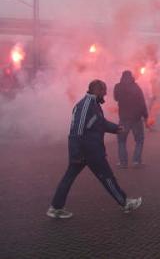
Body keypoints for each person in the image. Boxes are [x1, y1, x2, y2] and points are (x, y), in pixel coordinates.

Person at [47, 80, 142, 219]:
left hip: (85, 150)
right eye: (104, 92)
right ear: (97, 90)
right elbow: (77, 131)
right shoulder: (86, 106)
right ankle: (124, 203)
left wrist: (116, 128)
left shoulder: (93, 104)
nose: (105, 95)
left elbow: (100, 123)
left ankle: (55, 207)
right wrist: (77, 153)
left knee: (69, 178)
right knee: (107, 177)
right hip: (89, 151)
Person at [113, 70, 149, 168]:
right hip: (136, 118)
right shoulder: (136, 87)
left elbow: (115, 98)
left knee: (121, 141)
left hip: (123, 118)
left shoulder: (118, 87)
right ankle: (136, 161)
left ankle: (123, 162)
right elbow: (142, 102)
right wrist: (145, 116)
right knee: (139, 140)